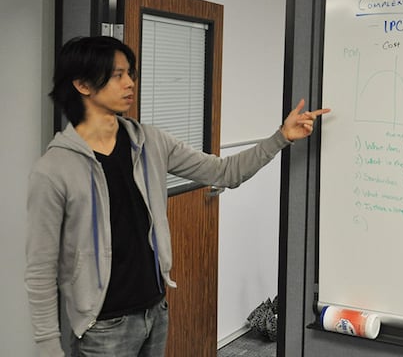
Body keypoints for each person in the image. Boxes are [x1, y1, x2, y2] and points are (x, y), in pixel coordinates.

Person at [25, 36, 330, 357]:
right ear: (83, 85)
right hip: (102, 327)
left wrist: (281, 137)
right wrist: (48, 347)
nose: (130, 82)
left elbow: (225, 172)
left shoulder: (149, 142)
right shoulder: (54, 169)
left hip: (155, 312)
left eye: (131, 73)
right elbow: (41, 268)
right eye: (117, 75)